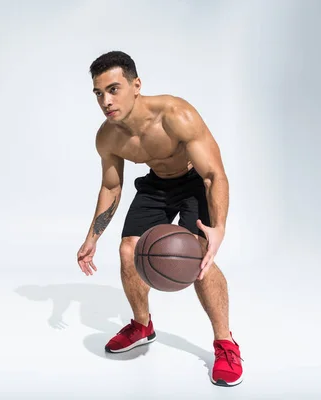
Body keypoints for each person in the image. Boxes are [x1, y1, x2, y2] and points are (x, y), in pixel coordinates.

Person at [76, 51, 243, 387]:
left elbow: (214, 174)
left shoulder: (175, 115)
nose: (106, 101)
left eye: (113, 89)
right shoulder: (108, 137)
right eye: (98, 93)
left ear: (136, 85)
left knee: (199, 256)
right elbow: (111, 186)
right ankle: (142, 325)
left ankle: (225, 342)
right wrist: (91, 238)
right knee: (128, 250)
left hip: (195, 181)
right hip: (157, 185)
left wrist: (219, 229)